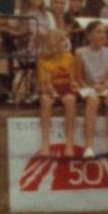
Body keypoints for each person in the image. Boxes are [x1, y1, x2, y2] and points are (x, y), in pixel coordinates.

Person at [75, 20, 108, 158]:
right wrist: (90, 88)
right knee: (93, 101)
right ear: (89, 35)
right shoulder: (80, 52)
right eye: (98, 32)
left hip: (105, 87)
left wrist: (103, 87)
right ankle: (88, 147)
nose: (103, 35)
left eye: (105, 32)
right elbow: (79, 77)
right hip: (88, 88)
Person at [37, 28, 79, 157]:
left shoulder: (69, 58)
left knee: (70, 100)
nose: (65, 43)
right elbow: (43, 84)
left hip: (66, 89)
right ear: (54, 43)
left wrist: (74, 84)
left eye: (65, 40)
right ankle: (45, 143)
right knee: (45, 101)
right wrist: (48, 89)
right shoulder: (43, 61)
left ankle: (69, 142)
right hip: (50, 90)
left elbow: (73, 80)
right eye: (62, 40)